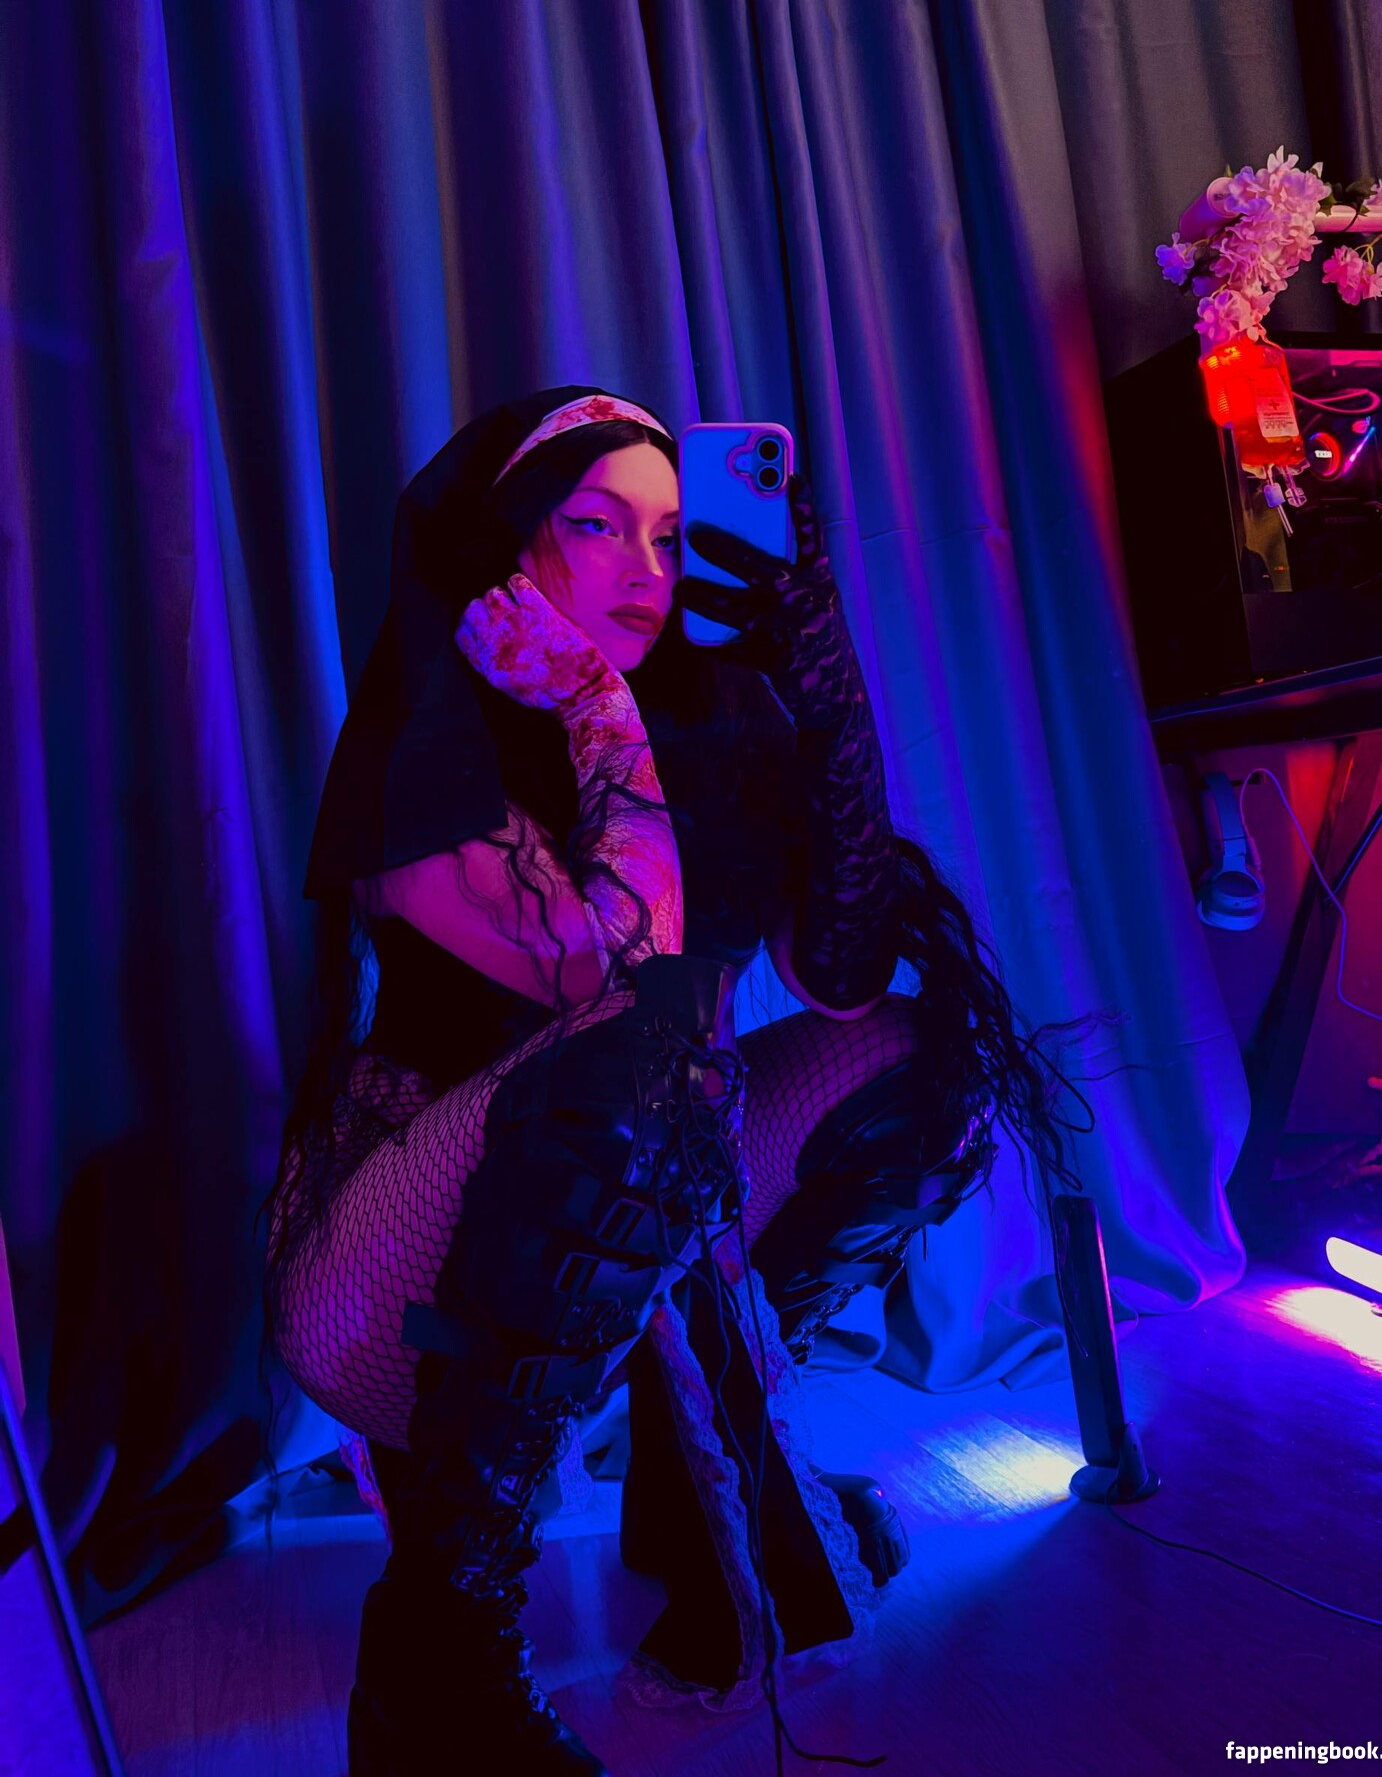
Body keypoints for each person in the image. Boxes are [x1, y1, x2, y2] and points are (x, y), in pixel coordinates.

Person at [262, 386, 1089, 1774]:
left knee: (916, 1061)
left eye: (669, 533)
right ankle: (437, 1652)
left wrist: (822, 689)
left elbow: (842, 973)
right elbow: (621, 986)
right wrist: (594, 704)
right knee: (649, 1068)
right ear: (503, 546)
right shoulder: (432, 740)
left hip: (642, 1206)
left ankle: (689, 1475)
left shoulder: (704, 728)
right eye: (596, 526)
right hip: (398, 1282)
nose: (644, 571)